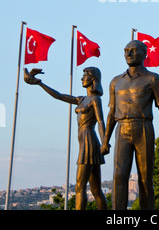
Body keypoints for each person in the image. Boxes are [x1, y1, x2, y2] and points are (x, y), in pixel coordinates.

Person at [101, 40, 159, 210]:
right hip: (122, 129)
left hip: (143, 128)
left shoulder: (152, 78)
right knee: (119, 176)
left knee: (145, 179)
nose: (129, 54)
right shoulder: (116, 81)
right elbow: (112, 113)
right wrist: (105, 140)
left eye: (133, 51)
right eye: (126, 51)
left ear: (144, 54)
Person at [24, 66, 107, 210]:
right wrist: (39, 83)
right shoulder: (81, 99)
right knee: (95, 188)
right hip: (85, 141)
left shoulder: (95, 99)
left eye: (85, 75)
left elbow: (100, 121)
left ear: (93, 79)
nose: (82, 78)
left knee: (81, 187)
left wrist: (105, 142)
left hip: (89, 141)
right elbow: (59, 95)